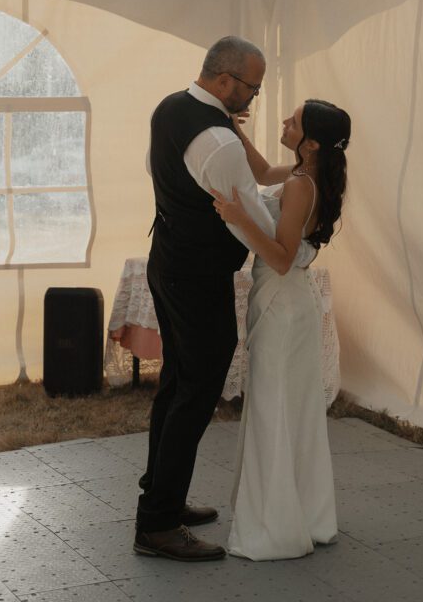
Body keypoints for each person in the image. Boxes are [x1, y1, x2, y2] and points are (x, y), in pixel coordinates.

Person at [134, 35, 278, 562]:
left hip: (168, 260)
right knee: (195, 393)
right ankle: (157, 525)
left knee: (177, 384)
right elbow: (251, 219)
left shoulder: (171, 107)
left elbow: (154, 168)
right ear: (224, 80)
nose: (254, 97)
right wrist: (291, 242)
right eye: (253, 88)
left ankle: (162, 495)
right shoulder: (219, 140)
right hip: (196, 277)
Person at [211, 98, 351, 561]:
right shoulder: (304, 175)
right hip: (289, 306)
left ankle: (275, 528)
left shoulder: (299, 187)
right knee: (289, 411)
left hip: (283, 308)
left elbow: (282, 258)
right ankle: (304, 515)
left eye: (294, 121)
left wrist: (240, 219)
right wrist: (232, 128)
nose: (285, 122)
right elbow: (260, 169)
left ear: (311, 143)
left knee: (275, 411)